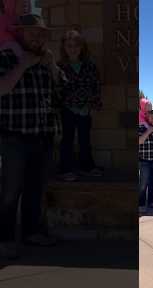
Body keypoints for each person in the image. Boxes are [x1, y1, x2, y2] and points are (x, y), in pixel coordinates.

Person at [0, 14, 66, 259]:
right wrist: (22, 66)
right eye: (31, 32)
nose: (36, 37)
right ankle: (5, 238)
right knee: (9, 191)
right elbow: (2, 88)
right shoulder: (6, 57)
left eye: (40, 33)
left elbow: (63, 91)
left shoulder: (45, 60)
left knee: (35, 190)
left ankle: (32, 233)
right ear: (20, 33)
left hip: (43, 136)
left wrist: (52, 66)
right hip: (13, 137)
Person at [57, 29, 102, 181]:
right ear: (64, 48)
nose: (73, 49)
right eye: (69, 46)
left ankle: (86, 167)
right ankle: (65, 169)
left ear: (82, 47)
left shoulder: (89, 66)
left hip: (85, 110)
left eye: (76, 46)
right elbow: (57, 88)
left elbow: (96, 86)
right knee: (67, 140)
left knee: (85, 141)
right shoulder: (59, 66)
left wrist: (95, 104)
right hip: (67, 110)